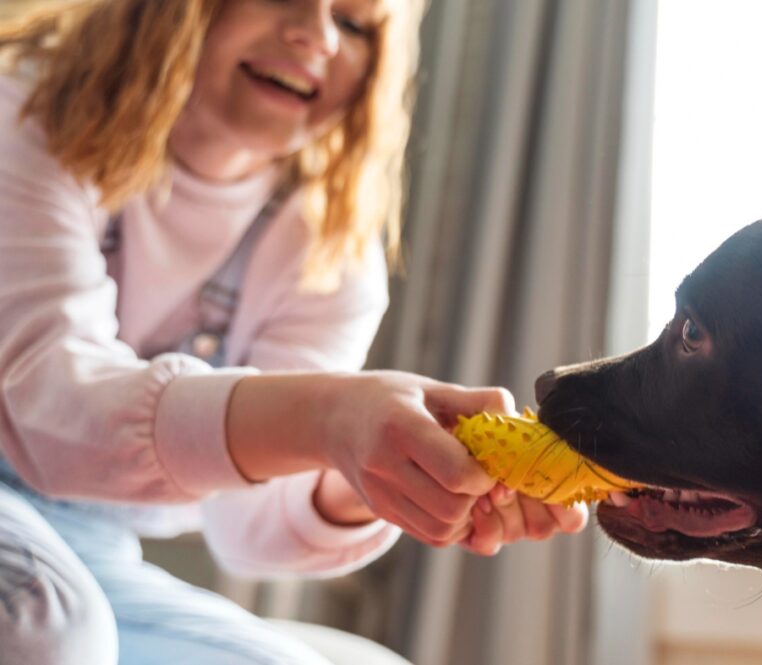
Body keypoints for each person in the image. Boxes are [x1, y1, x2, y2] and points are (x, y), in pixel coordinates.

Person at [0, 1, 588, 663]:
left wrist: (378, 468)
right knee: (42, 624)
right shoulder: (23, 110)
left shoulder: (324, 245)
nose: (315, 35)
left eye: (355, 23)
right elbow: (49, 412)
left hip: (91, 548)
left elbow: (246, 525)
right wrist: (328, 416)